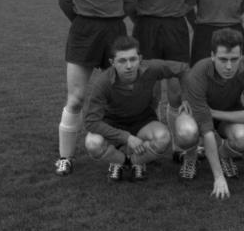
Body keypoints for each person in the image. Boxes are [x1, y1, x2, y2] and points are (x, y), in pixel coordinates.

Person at [55, 0, 136, 176]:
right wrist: (84, 22)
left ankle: (119, 154)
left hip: (114, 30)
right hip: (83, 30)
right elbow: (65, 1)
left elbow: (130, 2)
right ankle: (65, 157)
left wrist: (110, 19)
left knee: (120, 96)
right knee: (76, 98)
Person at [83, 36, 197, 182]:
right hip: (113, 122)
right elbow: (91, 121)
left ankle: (137, 162)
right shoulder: (103, 83)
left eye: (133, 59)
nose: (129, 66)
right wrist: (127, 137)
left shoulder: (151, 68)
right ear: (112, 63)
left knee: (163, 137)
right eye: (122, 61)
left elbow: (183, 69)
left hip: (143, 120)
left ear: (140, 58)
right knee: (93, 143)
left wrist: (186, 97)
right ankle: (122, 161)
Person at [180, 28, 244, 199]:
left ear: (241, 55)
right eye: (223, 59)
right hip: (196, 112)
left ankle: (224, 155)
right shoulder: (199, 71)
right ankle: (190, 156)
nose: (228, 66)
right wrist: (219, 178)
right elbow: (207, 131)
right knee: (187, 132)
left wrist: (213, 113)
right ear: (212, 56)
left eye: (234, 59)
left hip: (226, 111)